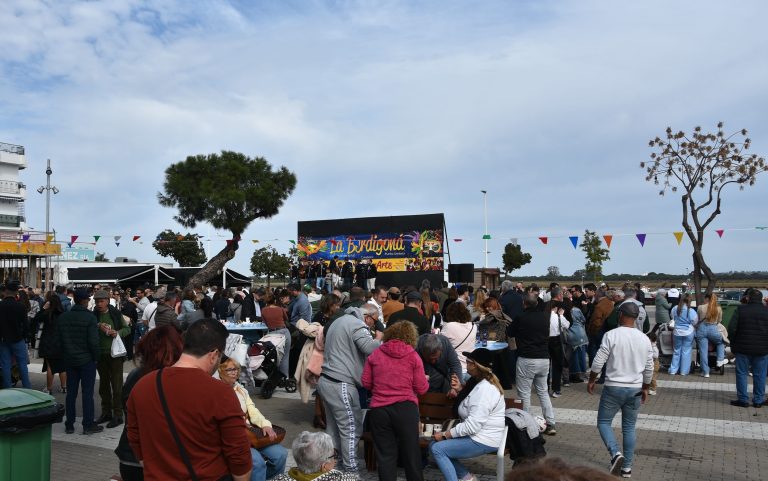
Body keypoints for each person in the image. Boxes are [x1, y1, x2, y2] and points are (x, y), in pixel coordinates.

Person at [127, 318, 252, 481]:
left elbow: (134, 436)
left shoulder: (142, 386)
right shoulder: (221, 393)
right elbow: (238, 454)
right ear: (214, 355)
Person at [588, 302, 653, 478]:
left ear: (622, 315)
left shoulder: (611, 335)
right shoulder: (644, 339)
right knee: (629, 428)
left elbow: (598, 362)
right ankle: (627, 468)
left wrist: (592, 380)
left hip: (613, 387)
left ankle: (616, 453)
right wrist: (646, 388)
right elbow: (649, 368)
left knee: (603, 422)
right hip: (635, 389)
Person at [318, 304, 381, 473]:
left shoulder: (339, 321)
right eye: (374, 322)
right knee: (351, 428)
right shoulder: (357, 324)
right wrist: (382, 341)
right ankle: (350, 469)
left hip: (326, 380)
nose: (372, 326)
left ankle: (331, 466)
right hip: (341, 383)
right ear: (367, 317)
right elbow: (369, 347)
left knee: (333, 429)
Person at [362, 321, 428, 481]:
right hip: (406, 408)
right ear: (411, 337)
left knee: (385, 456)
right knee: (411, 454)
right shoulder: (413, 356)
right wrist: (425, 380)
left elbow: (366, 382)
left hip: (380, 409)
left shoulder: (376, 354)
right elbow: (421, 388)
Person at [115, 325, 184, 481]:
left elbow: (128, 413)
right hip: (158, 459)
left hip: (130, 456)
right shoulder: (174, 380)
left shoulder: (135, 375)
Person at [429, 348, 506, 481]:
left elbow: (473, 426)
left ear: (476, 366)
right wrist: (459, 389)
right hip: (477, 435)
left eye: (468, 362)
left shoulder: (485, 390)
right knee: (433, 444)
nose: (466, 364)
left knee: (438, 449)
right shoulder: (478, 383)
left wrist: (445, 434)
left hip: (483, 439)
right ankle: (467, 478)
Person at [218, 355, 288, 481]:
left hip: (252, 434)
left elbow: (253, 410)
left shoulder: (241, 390)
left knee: (281, 455)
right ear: (220, 371)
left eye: (236, 369)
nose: (234, 372)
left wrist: (265, 424)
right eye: (230, 370)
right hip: (237, 437)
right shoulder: (217, 391)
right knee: (257, 463)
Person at [509, 293, 557, 435]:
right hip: (544, 358)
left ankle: (527, 426)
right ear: (537, 303)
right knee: (543, 392)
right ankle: (551, 423)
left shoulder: (521, 317)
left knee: (524, 394)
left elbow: (510, 332)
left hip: (527, 358)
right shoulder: (545, 316)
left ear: (524, 304)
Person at [58, 289, 102, 434]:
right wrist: (96, 358)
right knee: (87, 393)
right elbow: (93, 342)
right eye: (88, 299)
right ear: (84, 301)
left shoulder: (64, 317)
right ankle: (88, 424)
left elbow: (59, 340)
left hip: (70, 359)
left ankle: (69, 424)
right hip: (87, 359)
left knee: (71, 393)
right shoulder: (90, 318)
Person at [92, 289, 131, 428]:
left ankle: (118, 415)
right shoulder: (94, 316)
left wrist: (117, 333)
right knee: (103, 386)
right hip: (100, 354)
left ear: (108, 301)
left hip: (115, 355)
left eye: (101, 301)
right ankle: (106, 412)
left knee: (117, 385)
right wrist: (97, 326)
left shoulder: (115, 314)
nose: (99, 304)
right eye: (97, 301)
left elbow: (127, 329)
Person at [728, 288, 768, 408]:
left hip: (742, 348)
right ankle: (758, 400)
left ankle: (743, 399)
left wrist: (733, 343)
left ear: (748, 298)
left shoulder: (740, 310)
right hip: (762, 349)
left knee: (741, 373)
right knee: (760, 375)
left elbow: (731, 328)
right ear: (761, 299)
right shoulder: (767, 311)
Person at [272, 431, 358, 481]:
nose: (335, 460)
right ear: (324, 466)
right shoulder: (343, 478)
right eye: (334, 455)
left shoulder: (280, 479)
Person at [35, 293, 67, 394]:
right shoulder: (63, 314)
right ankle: (64, 387)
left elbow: (36, 319)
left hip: (48, 343)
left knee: (49, 366)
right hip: (61, 343)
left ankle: (49, 389)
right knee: (62, 366)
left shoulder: (47, 314)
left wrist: (43, 308)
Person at [441, 303, 477, 381]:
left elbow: (441, 345)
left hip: (455, 369)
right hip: (471, 368)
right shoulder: (474, 326)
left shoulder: (449, 326)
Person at [696, 293, 727, 378]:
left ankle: (706, 372)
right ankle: (720, 360)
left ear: (706, 299)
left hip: (701, 329)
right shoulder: (718, 308)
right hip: (713, 328)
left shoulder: (700, 307)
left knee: (703, 351)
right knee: (721, 342)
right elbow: (719, 320)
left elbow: (698, 319)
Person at [668, 294, 698, 376]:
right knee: (686, 351)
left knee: (676, 351)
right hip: (688, 332)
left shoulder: (675, 308)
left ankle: (673, 370)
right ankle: (683, 371)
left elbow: (672, 317)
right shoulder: (691, 311)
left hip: (676, 332)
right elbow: (695, 322)